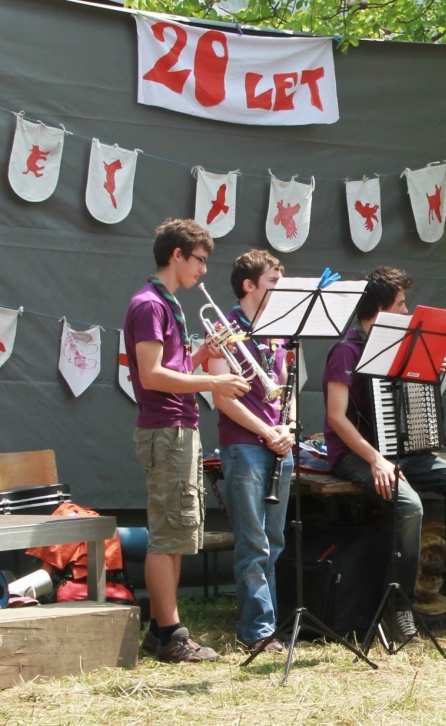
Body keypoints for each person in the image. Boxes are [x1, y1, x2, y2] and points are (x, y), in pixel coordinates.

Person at [324, 266, 446, 644]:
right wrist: (375, 459)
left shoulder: (403, 349)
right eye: (401, 305)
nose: (407, 313)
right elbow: (336, 418)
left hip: (402, 450)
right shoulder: (345, 352)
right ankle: (399, 606)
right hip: (357, 455)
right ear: (380, 309)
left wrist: (434, 373)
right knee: (411, 505)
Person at [125, 218, 250, 663]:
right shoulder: (150, 305)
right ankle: (172, 633)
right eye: (200, 260)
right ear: (177, 254)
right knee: (167, 535)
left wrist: (201, 355)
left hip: (178, 427)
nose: (203, 270)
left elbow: (170, 367)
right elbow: (151, 375)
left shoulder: (166, 303)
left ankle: (163, 632)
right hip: (166, 429)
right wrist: (210, 383)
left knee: (178, 533)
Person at [210, 249, 294, 653]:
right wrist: (267, 431)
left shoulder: (281, 331)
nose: (279, 290)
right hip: (245, 445)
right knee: (253, 541)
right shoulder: (223, 329)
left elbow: (288, 389)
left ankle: (267, 625)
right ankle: (256, 631)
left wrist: (289, 426)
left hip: (280, 445)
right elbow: (223, 398)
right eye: (273, 283)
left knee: (274, 540)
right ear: (249, 285)